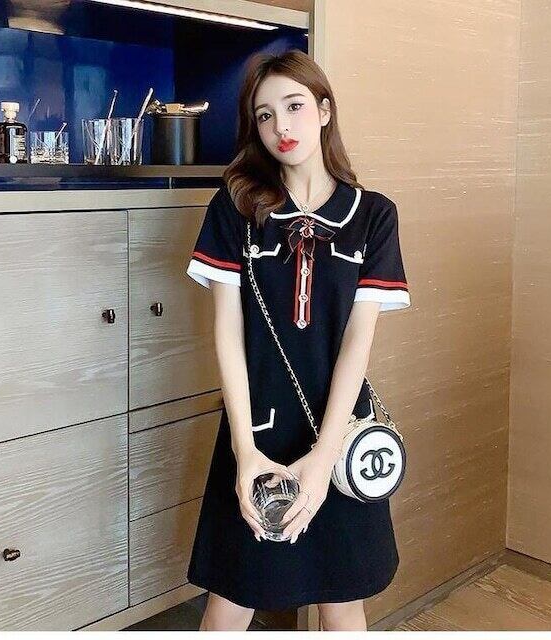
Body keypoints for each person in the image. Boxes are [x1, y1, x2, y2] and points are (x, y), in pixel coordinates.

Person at [184, 49, 411, 631]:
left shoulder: (373, 216)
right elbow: (227, 335)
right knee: (232, 598)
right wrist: (244, 454)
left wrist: (324, 457)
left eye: (294, 106)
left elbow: (357, 344)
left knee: (342, 599)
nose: (281, 126)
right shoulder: (235, 209)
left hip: (339, 429)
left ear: (325, 110)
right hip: (257, 433)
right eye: (265, 115)